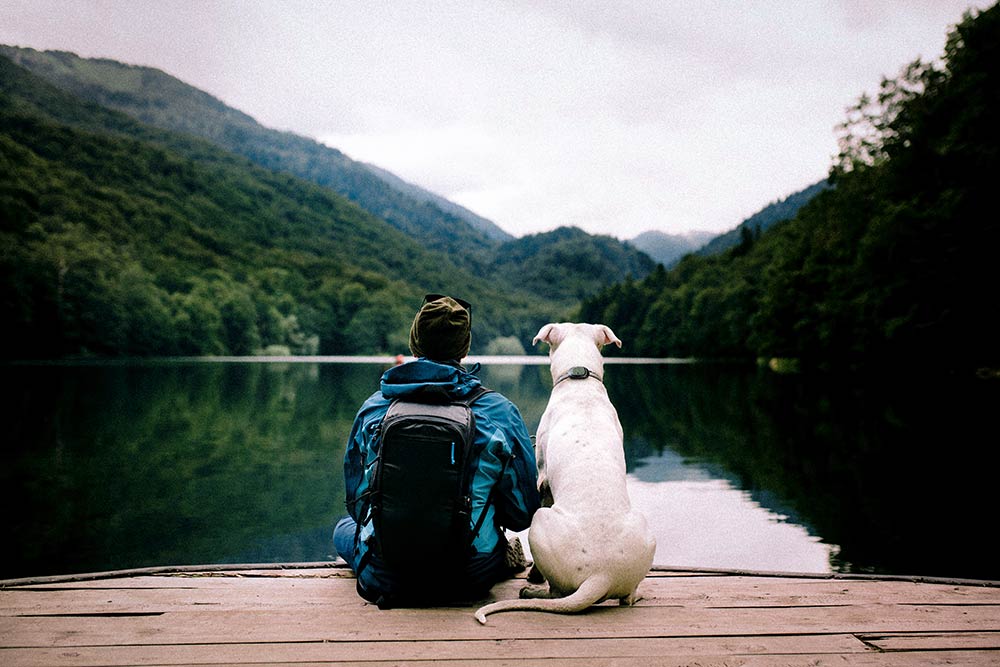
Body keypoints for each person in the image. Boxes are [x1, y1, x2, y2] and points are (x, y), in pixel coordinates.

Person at [334, 294, 541, 605]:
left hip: (385, 572)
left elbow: (357, 505)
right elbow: (522, 513)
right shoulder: (499, 411)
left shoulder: (374, 407)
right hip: (469, 573)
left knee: (344, 528)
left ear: (414, 342)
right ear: (465, 348)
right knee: (490, 533)